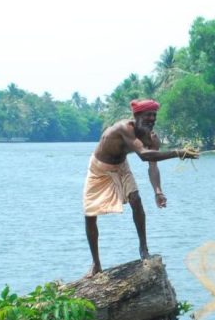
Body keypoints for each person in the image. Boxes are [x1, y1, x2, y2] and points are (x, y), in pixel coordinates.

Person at [83, 98, 198, 275]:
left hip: (121, 166)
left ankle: (144, 250)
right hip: (99, 168)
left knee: (136, 200)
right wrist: (177, 152)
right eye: (147, 115)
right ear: (136, 116)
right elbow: (144, 155)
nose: (152, 119)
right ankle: (96, 263)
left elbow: (152, 164)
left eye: (154, 116)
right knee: (90, 214)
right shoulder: (124, 128)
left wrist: (158, 192)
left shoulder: (152, 138)